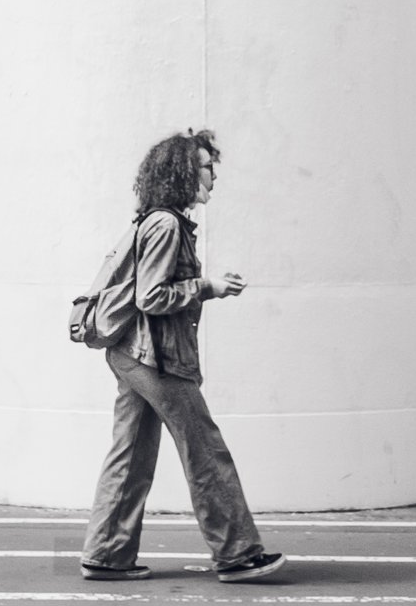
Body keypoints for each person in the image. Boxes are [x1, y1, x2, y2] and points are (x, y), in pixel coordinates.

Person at [80, 126, 284, 582]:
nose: (214, 177)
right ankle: (237, 553)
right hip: (157, 358)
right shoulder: (167, 225)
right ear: (184, 174)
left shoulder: (152, 220)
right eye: (208, 168)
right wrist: (206, 287)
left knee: (129, 453)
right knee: (206, 452)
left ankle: (106, 554)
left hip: (128, 353)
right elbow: (151, 297)